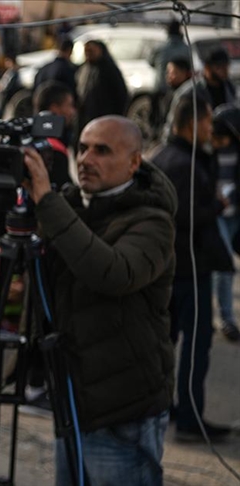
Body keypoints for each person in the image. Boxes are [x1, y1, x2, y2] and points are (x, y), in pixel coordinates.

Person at [21, 115, 176, 484]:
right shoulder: (72, 204)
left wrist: (47, 202)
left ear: (134, 162)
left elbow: (112, 273)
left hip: (123, 409)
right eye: (83, 148)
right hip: (73, 399)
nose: (86, 159)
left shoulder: (152, 221)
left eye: (102, 151)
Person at [151, 95, 233, 443]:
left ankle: (165, 408)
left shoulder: (166, 156)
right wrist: (216, 205)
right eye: (207, 123)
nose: (211, 130)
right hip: (188, 268)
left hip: (170, 268)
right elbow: (185, 215)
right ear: (192, 124)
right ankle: (189, 417)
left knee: (166, 343)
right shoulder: (182, 162)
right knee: (195, 346)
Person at [210, 104, 240, 341]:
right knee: (224, 265)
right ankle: (226, 318)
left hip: (234, 215)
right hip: (216, 214)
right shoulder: (207, 154)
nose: (217, 143)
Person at [164, 47, 238, 140]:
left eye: (226, 66)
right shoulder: (189, 92)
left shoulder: (231, 88)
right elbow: (173, 124)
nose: (224, 71)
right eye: (219, 67)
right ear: (207, 68)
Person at [76, 40, 128, 137]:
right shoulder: (84, 68)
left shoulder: (109, 70)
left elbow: (121, 94)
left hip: (104, 116)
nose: (88, 54)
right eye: (86, 51)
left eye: (91, 51)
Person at [33, 80, 76, 187]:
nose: (73, 112)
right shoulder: (54, 150)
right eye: (69, 105)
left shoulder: (31, 143)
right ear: (54, 109)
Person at [148, 21, 189, 132]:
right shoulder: (186, 48)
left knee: (157, 118)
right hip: (180, 88)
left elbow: (151, 62)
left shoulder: (160, 47)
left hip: (160, 87)